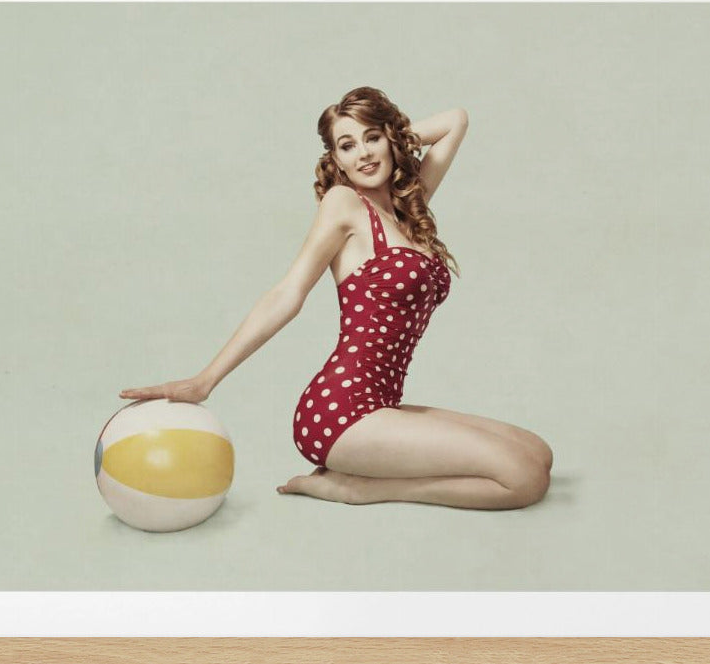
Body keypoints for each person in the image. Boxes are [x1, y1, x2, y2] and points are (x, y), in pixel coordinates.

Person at [120, 86, 552, 510]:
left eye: (372, 138)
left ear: (391, 139)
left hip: (383, 404)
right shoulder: (344, 204)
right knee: (524, 479)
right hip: (342, 414)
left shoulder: (405, 211)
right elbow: (287, 293)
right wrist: (205, 380)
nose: (363, 154)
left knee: (539, 454)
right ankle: (361, 489)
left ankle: (368, 477)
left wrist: (396, 139)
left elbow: (456, 119)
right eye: (347, 146)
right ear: (336, 159)